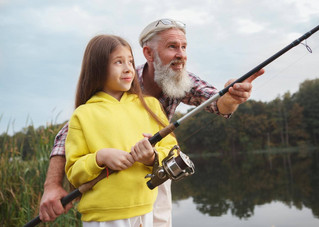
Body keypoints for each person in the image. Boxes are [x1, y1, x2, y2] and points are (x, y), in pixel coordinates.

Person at [39, 19, 265, 226]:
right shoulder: (123, 80)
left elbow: (219, 103)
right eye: (172, 47)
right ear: (148, 53)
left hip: (155, 173)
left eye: (184, 47)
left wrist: (233, 96)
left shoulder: (183, 79)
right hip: (108, 201)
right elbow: (67, 136)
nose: (181, 54)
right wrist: (52, 186)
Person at [64, 34, 177, 226]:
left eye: (130, 62)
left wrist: (152, 157)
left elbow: (173, 151)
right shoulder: (83, 114)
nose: (128, 69)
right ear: (98, 68)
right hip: (103, 218)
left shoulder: (150, 105)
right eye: (118, 62)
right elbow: (74, 172)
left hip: (146, 211)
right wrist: (100, 157)